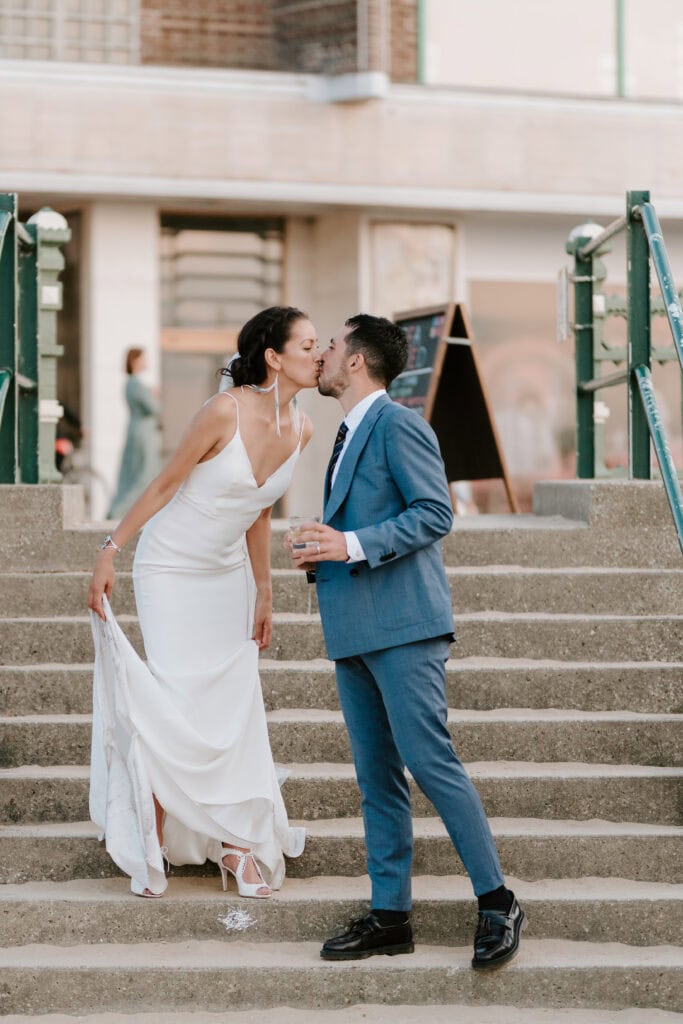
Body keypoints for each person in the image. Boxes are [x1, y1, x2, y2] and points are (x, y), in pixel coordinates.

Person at [290, 314, 525, 970]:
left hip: (404, 627)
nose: (323, 356)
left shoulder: (398, 423)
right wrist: (323, 551)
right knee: (376, 779)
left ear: (357, 361)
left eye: (331, 346)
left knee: (430, 763)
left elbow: (434, 512)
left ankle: (497, 899)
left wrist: (351, 543)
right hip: (353, 625)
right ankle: (390, 916)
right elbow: (364, 523)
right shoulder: (346, 433)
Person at [87, 306, 319, 899]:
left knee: (234, 704)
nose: (319, 356)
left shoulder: (304, 427)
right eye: (308, 345)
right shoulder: (224, 410)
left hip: (228, 577)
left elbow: (261, 511)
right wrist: (111, 550)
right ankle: (152, 831)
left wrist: (265, 590)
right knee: (177, 696)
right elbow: (165, 482)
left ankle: (237, 848)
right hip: (169, 567)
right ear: (274, 357)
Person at [107, 348, 161, 519]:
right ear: (135, 361)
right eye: (143, 359)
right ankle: (119, 512)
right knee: (142, 475)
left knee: (134, 474)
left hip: (137, 431)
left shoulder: (131, 384)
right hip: (143, 434)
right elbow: (153, 408)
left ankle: (124, 512)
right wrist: (154, 395)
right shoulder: (136, 384)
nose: (146, 362)